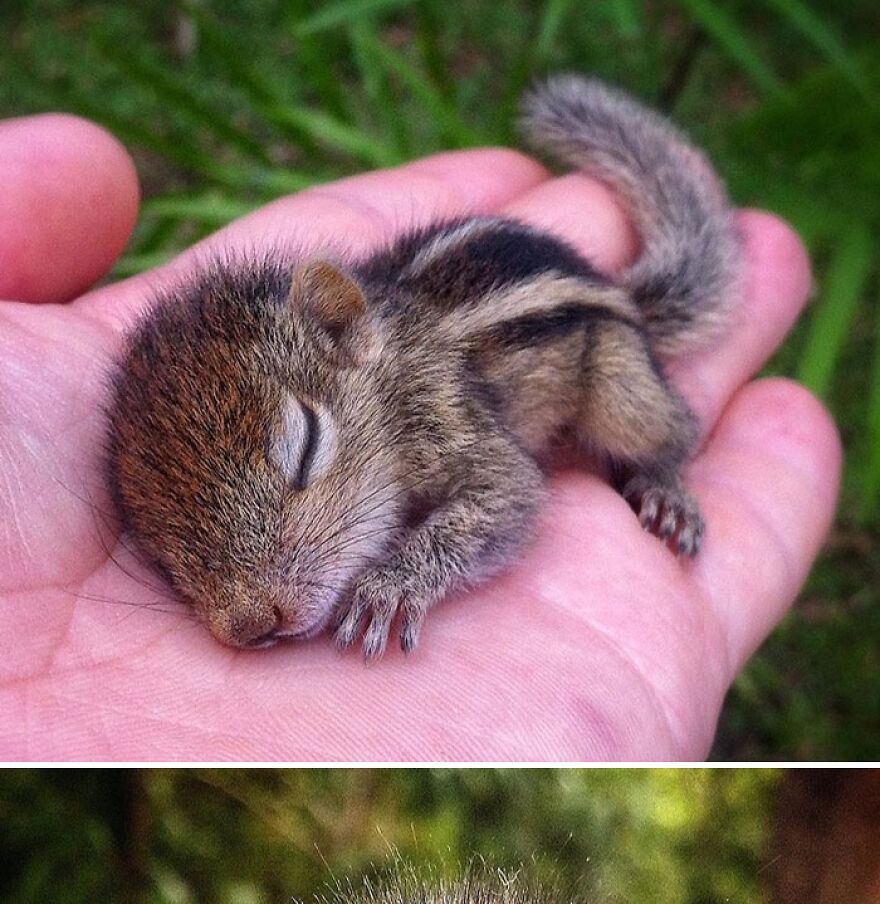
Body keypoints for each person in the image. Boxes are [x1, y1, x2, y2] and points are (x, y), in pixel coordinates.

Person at [0, 114, 840, 762]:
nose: (242, 613)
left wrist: (417, 566)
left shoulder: (420, 399)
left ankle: (660, 466)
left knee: (630, 416)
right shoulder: (260, 521)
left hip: (582, 344)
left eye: (299, 456)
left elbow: (508, 495)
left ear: (342, 332)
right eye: (182, 558)